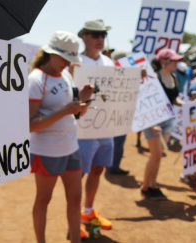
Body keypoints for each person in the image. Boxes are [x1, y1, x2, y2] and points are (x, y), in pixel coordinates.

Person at [28, 30, 94, 243]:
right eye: (65, 59)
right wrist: (67, 110)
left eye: (70, 59)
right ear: (51, 54)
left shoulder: (65, 75)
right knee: (44, 199)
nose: (67, 63)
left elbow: (74, 113)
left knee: (75, 199)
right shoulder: (36, 79)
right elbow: (30, 125)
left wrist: (83, 102)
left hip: (70, 147)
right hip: (47, 151)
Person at [76, 19, 114, 232]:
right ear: (84, 36)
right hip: (84, 128)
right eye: (95, 34)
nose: (100, 39)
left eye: (103, 35)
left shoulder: (109, 64)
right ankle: (73, 219)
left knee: (98, 169)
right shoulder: (75, 63)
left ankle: (88, 211)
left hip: (106, 126)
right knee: (79, 173)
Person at [141, 49, 184, 200]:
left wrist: (185, 104)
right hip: (154, 122)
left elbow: (174, 99)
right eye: (174, 60)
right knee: (156, 155)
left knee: (159, 156)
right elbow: (145, 100)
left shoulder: (173, 77)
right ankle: (146, 186)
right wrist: (152, 122)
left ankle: (153, 184)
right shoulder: (154, 77)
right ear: (164, 62)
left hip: (168, 120)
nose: (177, 63)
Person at [108, 50, 129, 175]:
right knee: (117, 142)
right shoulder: (116, 75)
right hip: (116, 114)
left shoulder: (111, 73)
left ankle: (112, 165)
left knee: (117, 142)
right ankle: (113, 166)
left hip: (119, 113)